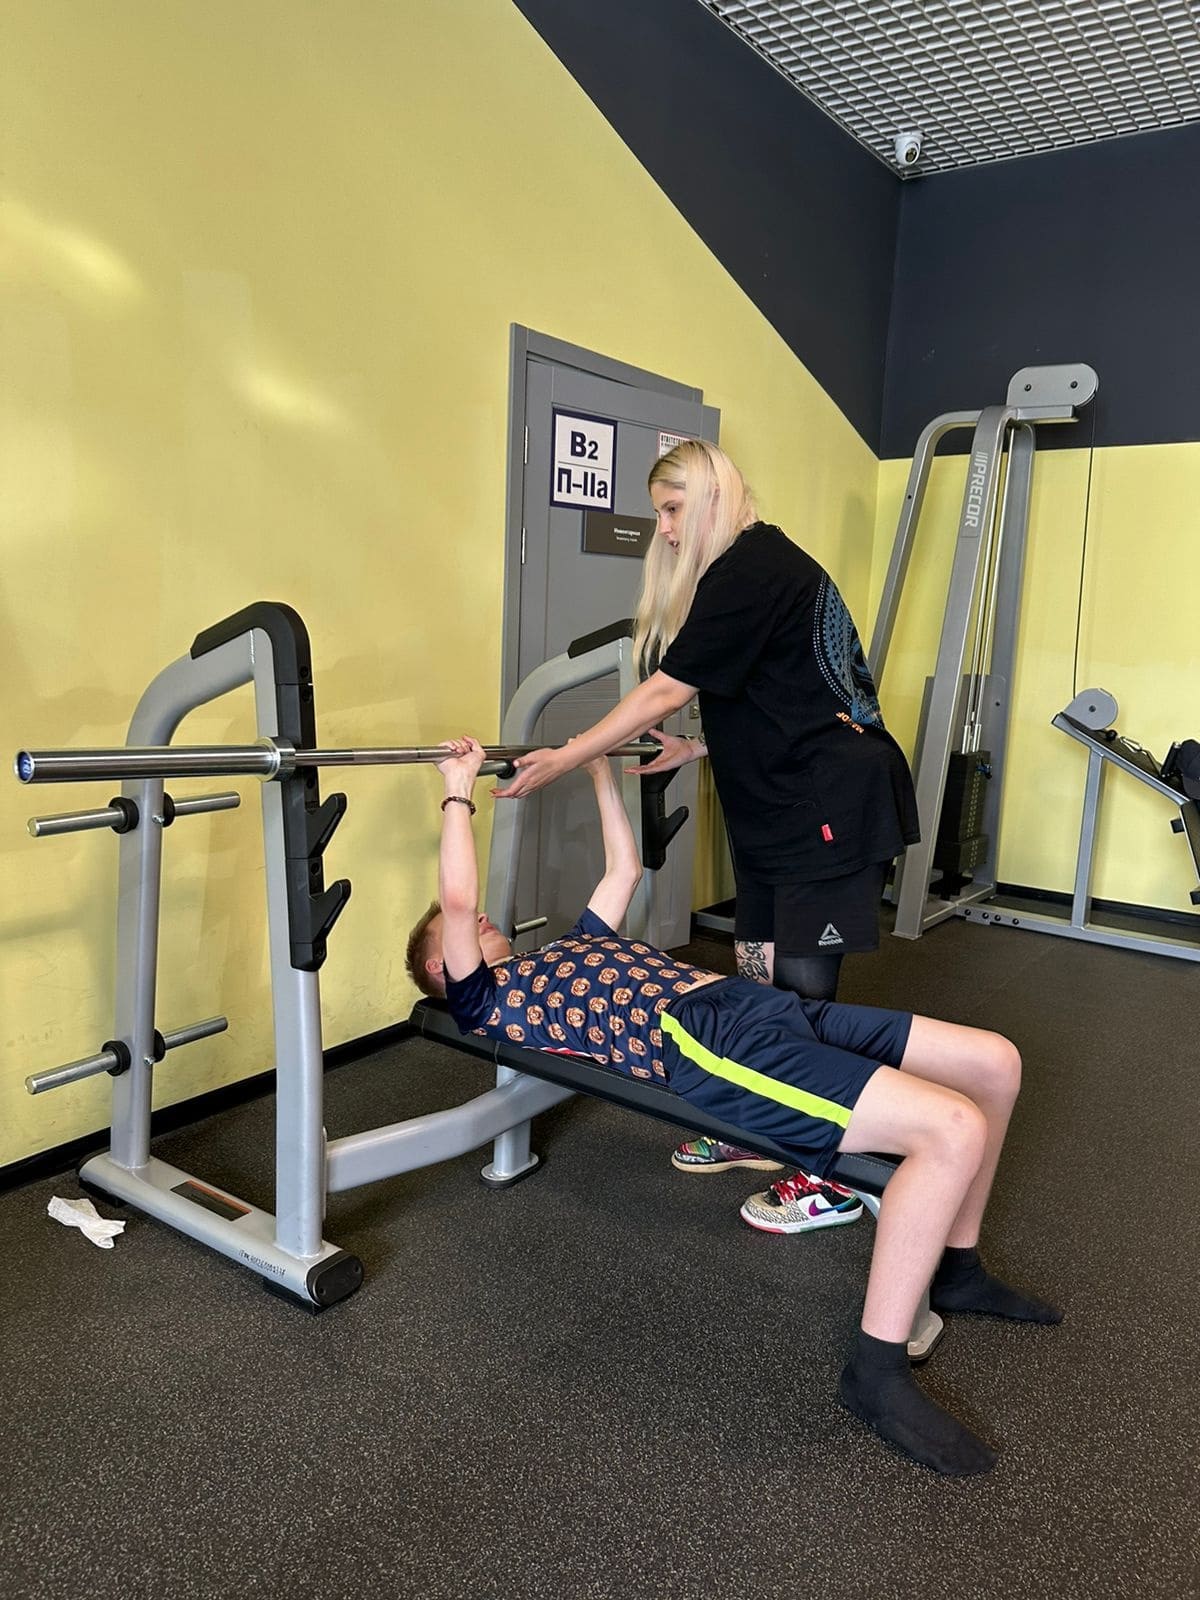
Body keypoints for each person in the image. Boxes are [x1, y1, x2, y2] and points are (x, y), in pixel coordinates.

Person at [407, 738, 1061, 1477]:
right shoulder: (482, 1000)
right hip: (703, 1041)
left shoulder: (566, 949)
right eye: (464, 933)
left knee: (994, 1062)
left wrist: (596, 766)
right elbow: (456, 902)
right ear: (440, 965)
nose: (482, 919)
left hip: (747, 1002)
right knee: (951, 1129)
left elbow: (624, 870)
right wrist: (458, 787)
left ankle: (957, 1269)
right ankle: (875, 1375)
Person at [492, 440, 920, 1235]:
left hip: (827, 802)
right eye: (659, 513)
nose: (662, 529)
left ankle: (833, 1171)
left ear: (712, 497)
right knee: (759, 974)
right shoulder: (748, 570)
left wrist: (568, 754)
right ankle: (765, 1124)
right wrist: (696, 748)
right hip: (779, 802)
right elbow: (783, 690)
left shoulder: (753, 566)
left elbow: (667, 688)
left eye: (671, 509)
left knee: (805, 993)